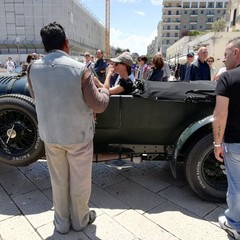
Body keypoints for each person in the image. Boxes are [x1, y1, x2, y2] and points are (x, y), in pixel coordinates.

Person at [27, 22, 109, 234]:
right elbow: (98, 104)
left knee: (58, 181)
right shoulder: (80, 69)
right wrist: (106, 91)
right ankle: (81, 220)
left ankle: (61, 223)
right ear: (66, 43)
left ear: (45, 45)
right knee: (80, 182)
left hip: (51, 134)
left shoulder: (33, 68)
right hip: (78, 135)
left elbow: (36, 96)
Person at [213, 36, 240, 239]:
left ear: (236, 53)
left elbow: (220, 114)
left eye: (226, 54)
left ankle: (234, 224)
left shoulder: (228, 78)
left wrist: (217, 143)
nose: (224, 59)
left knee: (236, 185)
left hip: (236, 143)